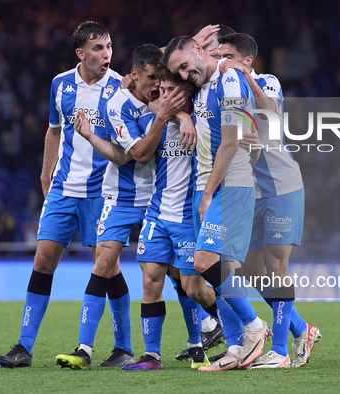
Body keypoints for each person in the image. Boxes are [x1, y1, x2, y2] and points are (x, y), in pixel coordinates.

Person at [0, 21, 122, 369]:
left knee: (107, 269)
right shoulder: (60, 84)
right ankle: (24, 346)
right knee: (42, 261)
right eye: (98, 48)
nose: (106, 53)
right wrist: (45, 173)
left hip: (102, 192)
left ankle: (123, 346)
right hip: (64, 190)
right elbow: (53, 132)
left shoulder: (122, 88)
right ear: (80, 53)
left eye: (109, 46)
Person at [54, 44, 188, 370]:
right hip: (121, 197)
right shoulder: (118, 102)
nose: (158, 84)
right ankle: (85, 349)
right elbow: (130, 155)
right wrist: (89, 136)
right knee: (103, 264)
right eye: (152, 78)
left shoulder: (163, 98)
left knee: (174, 271)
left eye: (162, 77)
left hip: (159, 197)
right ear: (134, 75)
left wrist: (181, 115)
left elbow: (175, 56)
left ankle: (197, 342)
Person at [162, 36, 269, 371]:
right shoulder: (202, 86)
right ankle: (236, 348)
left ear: (198, 49)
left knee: (206, 261)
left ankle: (255, 328)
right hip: (204, 186)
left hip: (230, 183)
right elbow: (158, 93)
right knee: (213, 274)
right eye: (177, 71)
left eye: (184, 65)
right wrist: (184, 116)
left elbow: (235, 138)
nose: (183, 73)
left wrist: (208, 192)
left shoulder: (230, 77)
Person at [216, 33, 321, 368]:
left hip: (281, 188)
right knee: (248, 267)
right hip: (250, 192)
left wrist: (246, 77)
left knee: (276, 267)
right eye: (219, 55)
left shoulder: (266, 81)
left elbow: (271, 110)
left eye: (229, 56)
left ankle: (280, 351)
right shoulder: (221, 91)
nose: (223, 62)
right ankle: (301, 328)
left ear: (247, 61)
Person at [123, 67, 215, 371]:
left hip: (188, 217)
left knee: (193, 287)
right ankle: (151, 355)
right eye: (160, 90)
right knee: (150, 279)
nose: (163, 95)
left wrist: (186, 116)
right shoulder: (154, 121)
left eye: (170, 90)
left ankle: (239, 323)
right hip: (158, 213)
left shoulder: (203, 119)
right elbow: (142, 153)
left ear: (185, 92)